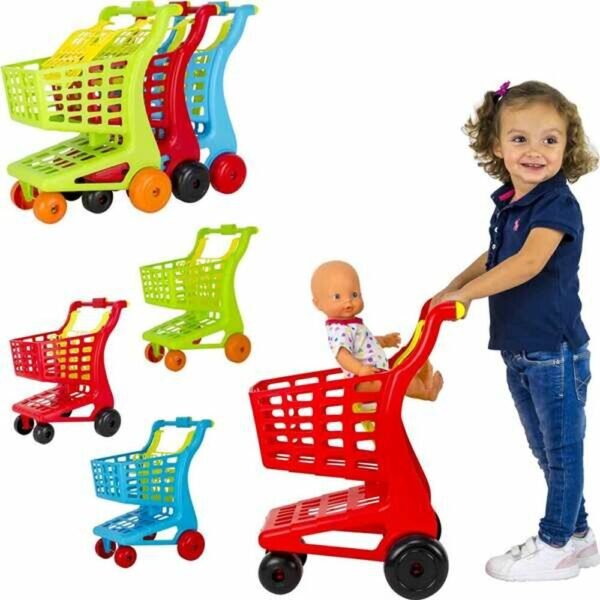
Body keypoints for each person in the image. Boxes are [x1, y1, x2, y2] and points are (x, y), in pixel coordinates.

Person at [431, 80, 599, 581]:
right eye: (520, 138)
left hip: (554, 351)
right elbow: (496, 257)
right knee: (546, 449)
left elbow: (527, 263)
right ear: (496, 145)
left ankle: (554, 544)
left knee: (562, 452)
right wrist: (453, 286)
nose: (534, 151)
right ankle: (579, 536)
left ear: (567, 146)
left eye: (550, 139)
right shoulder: (511, 203)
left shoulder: (556, 205)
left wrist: (467, 296)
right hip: (520, 350)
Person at [312, 260, 443, 399]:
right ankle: (427, 393)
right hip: (362, 381)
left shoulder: (350, 325)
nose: (348, 302)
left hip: (374, 373)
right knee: (401, 380)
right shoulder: (339, 330)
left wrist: (384, 341)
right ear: (318, 304)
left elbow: (364, 343)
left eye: (354, 295)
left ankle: (423, 382)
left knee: (402, 372)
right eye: (337, 297)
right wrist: (360, 370)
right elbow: (342, 355)